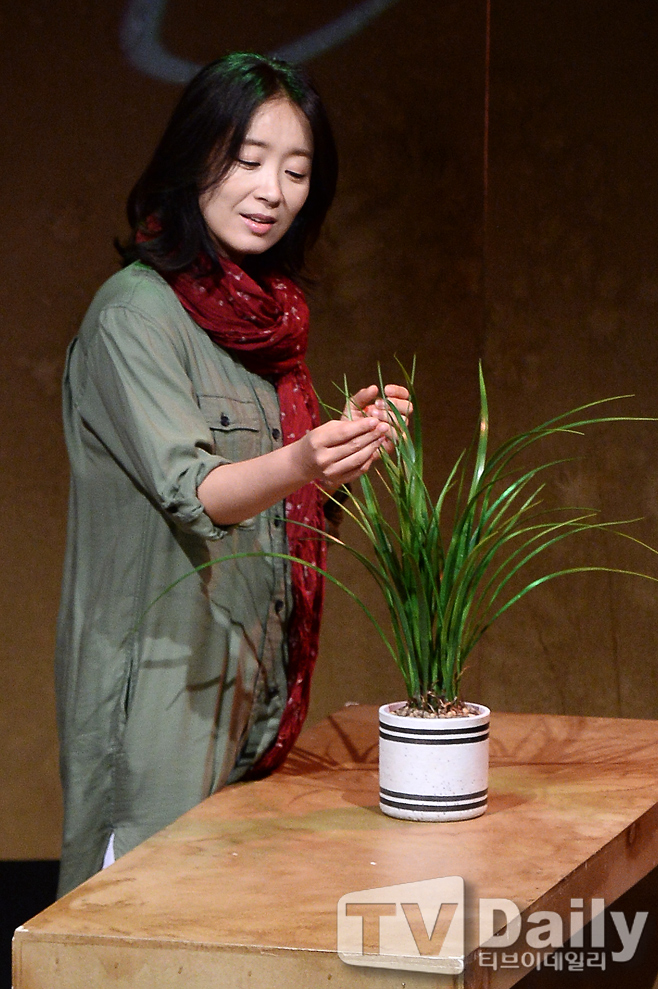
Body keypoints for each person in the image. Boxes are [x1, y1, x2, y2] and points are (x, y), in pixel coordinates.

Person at [55, 52, 410, 896]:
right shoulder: (135, 314)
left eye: (296, 171)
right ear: (194, 158)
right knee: (138, 930)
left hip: (250, 687)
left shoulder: (261, 326)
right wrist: (302, 456)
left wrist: (345, 452)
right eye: (248, 160)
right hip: (160, 696)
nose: (271, 190)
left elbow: (277, 520)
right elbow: (202, 493)